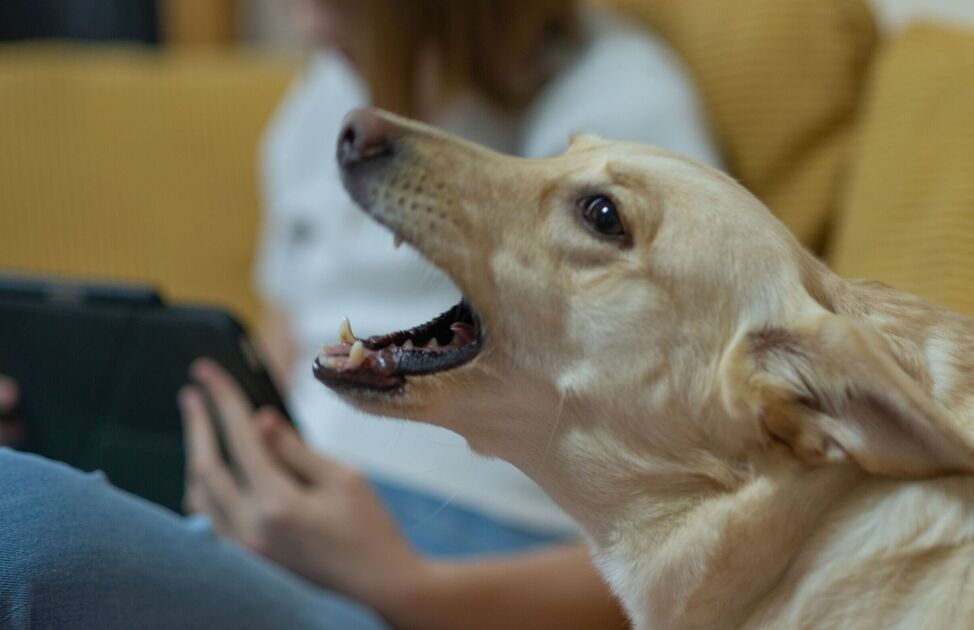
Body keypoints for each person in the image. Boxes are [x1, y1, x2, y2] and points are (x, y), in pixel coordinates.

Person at [0, 1, 720, 627]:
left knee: (19, 514)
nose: (297, 15)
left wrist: (407, 587)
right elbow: (284, 350)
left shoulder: (616, 115)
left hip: (459, 568)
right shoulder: (320, 98)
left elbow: (699, 528)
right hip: (288, 522)